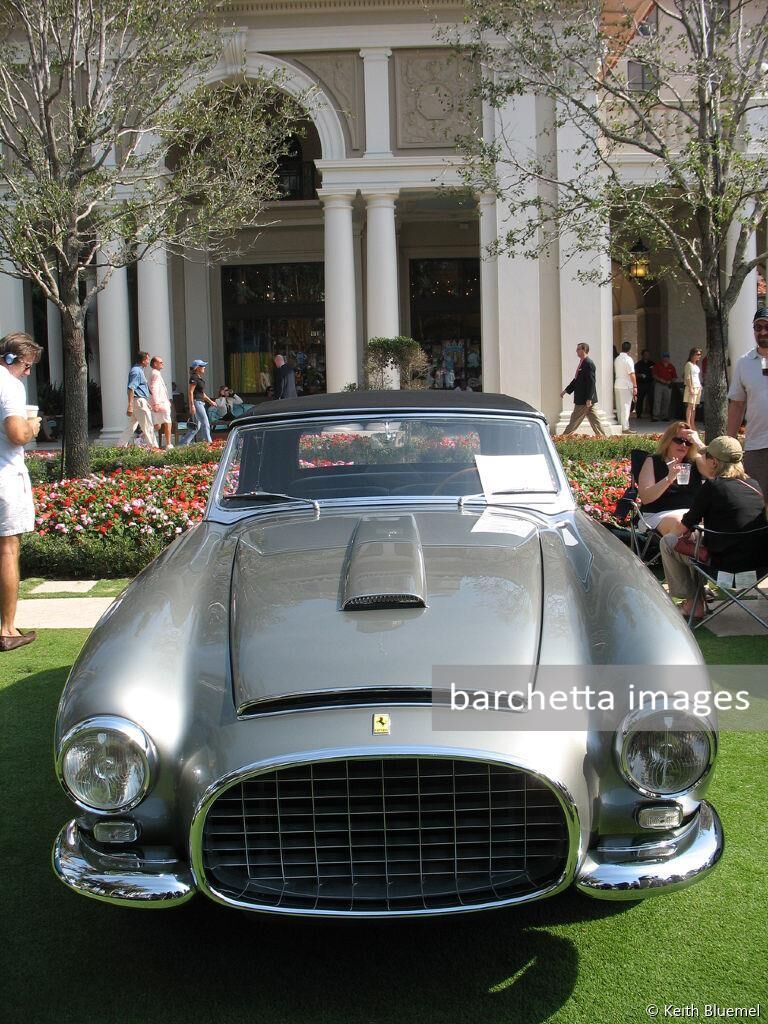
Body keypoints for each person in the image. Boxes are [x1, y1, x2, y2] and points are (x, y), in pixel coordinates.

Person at [661, 436, 768, 620]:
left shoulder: (712, 486)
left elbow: (683, 527)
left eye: (707, 456)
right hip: (758, 568)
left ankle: (692, 603)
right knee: (696, 544)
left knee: (668, 542)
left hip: (724, 570)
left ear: (715, 462)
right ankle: (697, 600)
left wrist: (680, 536)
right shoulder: (754, 485)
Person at [0, 332, 43, 651]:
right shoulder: (10, 386)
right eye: (27, 366)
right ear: (13, 360)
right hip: (5, 476)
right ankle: (7, 628)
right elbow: (16, 434)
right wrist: (33, 428)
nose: (28, 373)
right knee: (7, 549)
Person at [636, 421, 709, 535]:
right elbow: (646, 497)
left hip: (690, 514)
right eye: (679, 440)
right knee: (680, 522)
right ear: (668, 441)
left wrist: (698, 442)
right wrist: (669, 478)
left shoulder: (695, 462)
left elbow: (717, 470)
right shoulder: (654, 461)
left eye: (688, 442)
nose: (683, 445)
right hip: (659, 514)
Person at [726, 307, 768, 502]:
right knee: (757, 503)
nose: (763, 332)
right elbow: (737, 406)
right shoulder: (744, 363)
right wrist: (729, 444)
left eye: (767, 327)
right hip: (756, 447)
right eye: (758, 327)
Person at [560, 342, 607, 436]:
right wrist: (566, 390)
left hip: (584, 400)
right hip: (585, 399)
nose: (576, 351)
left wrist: (589, 398)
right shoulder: (582, 363)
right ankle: (603, 438)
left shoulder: (588, 363)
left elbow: (591, 382)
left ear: (584, 350)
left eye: (578, 349)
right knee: (595, 420)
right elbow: (576, 380)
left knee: (574, 419)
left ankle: (563, 438)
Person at [119, 351, 156, 447]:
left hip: (140, 401)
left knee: (131, 427)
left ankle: (120, 446)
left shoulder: (139, 370)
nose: (148, 362)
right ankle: (154, 448)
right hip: (139, 401)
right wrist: (130, 405)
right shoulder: (136, 371)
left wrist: (146, 402)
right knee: (148, 426)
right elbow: (131, 388)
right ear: (143, 360)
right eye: (147, 359)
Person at [181, 360, 216, 445]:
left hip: (200, 402)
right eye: (202, 366)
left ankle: (182, 444)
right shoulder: (194, 378)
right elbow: (190, 392)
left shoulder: (198, 377)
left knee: (196, 427)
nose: (204, 367)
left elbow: (201, 393)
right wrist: (191, 405)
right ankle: (208, 444)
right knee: (205, 423)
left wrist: (210, 401)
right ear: (197, 368)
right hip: (197, 402)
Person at [148, 356, 173, 449]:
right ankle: (168, 444)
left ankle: (143, 438)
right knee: (166, 422)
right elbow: (153, 388)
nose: (163, 363)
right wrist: (156, 403)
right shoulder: (155, 373)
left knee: (158, 425)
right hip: (160, 402)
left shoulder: (156, 373)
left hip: (161, 402)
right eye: (160, 362)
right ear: (155, 364)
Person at [614, 341, 637, 433]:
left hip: (618, 384)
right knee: (626, 407)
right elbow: (631, 373)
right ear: (629, 349)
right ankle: (625, 427)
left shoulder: (617, 359)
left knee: (619, 407)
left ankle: (621, 425)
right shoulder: (628, 359)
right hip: (626, 385)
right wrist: (635, 386)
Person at [652, 352, 677, 421]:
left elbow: (674, 376)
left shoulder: (671, 366)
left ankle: (664, 416)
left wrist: (671, 381)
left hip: (668, 385)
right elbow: (654, 375)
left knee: (666, 401)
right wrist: (660, 379)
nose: (666, 359)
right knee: (657, 400)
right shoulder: (657, 365)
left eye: (667, 357)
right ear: (662, 358)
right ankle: (655, 416)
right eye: (664, 357)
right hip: (659, 384)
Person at [683, 347, 703, 428]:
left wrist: (700, 385)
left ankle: (692, 423)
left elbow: (696, 377)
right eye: (697, 354)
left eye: (700, 354)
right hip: (692, 386)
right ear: (692, 355)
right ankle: (688, 423)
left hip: (697, 386)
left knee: (694, 407)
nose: (699, 356)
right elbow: (687, 377)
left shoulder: (695, 365)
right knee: (690, 406)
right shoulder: (689, 364)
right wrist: (690, 387)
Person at [634, 349, 655, 419]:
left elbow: (655, 373)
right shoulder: (638, 364)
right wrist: (640, 375)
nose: (647, 356)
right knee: (640, 399)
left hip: (650, 384)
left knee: (651, 399)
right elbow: (635, 374)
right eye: (645, 355)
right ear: (642, 355)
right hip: (641, 384)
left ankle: (652, 414)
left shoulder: (652, 364)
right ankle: (639, 414)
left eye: (648, 355)